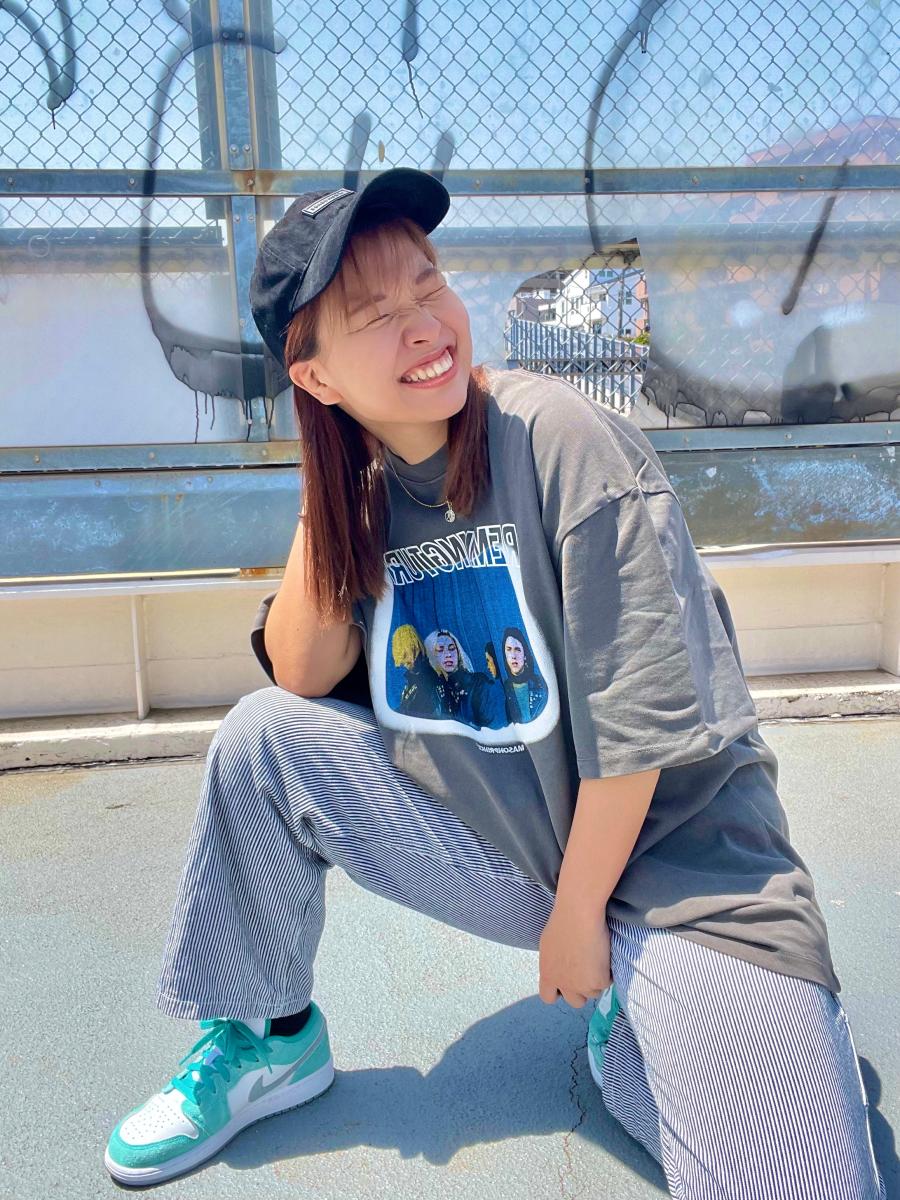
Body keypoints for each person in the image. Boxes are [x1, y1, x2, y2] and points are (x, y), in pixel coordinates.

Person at [104, 168, 886, 1198]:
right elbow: (301, 672)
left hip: (685, 871)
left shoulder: (558, 439)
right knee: (262, 738)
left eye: (427, 283)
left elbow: (641, 729)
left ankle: (661, 1036)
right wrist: (333, 482)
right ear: (316, 377)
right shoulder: (370, 488)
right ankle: (268, 1039)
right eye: (373, 313)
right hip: (524, 841)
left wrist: (578, 922)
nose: (422, 323)